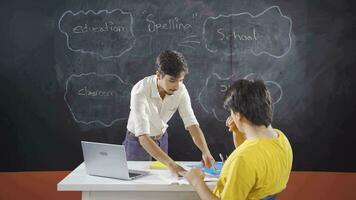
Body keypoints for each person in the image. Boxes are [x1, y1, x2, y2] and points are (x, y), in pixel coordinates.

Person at [182, 79, 293, 200]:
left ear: (238, 115)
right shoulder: (281, 139)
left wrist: (196, 181)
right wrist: (237, 132)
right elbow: (253, 159)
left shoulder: (242, 159)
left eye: (232, 113)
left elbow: (246, 161)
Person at [123, 50, 215, 176]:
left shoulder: (180, 90)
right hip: (137, 142)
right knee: (136, 186)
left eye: (181, 80)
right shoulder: (140, 91)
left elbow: (192, 124)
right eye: (172, 80)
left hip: (161, 139)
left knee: (163, 182)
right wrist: (172, 163)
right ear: (158, 75)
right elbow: (143, 137)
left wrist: (206, 152)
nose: (177, 86)